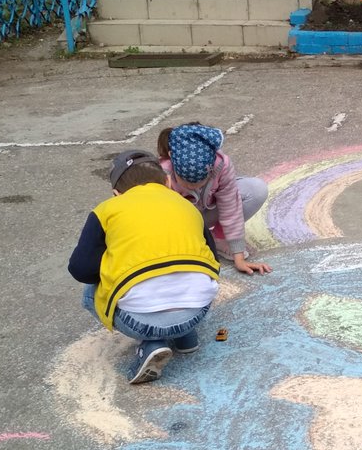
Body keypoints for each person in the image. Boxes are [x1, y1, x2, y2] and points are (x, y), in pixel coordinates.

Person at [68, 150, 221, 385]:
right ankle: (184, 337)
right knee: (190, 270)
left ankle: (152, 345)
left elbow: (81, 269)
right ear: (167, 182)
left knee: (91, 291)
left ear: (116, 193)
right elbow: (213, 259)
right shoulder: (187, 206)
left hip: (139, 321)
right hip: (196, 312)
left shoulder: (107, 210)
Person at [157, 122, 272, 274]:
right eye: (187, 182)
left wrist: (239, 258)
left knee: (256, 189)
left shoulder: (221, 165)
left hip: (204, 215)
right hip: (179, 223)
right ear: (172, 159)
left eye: (201, 182)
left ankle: (218, 238)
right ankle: (195, 240)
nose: (194, 187)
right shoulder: (161, 172)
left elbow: (231, 208)